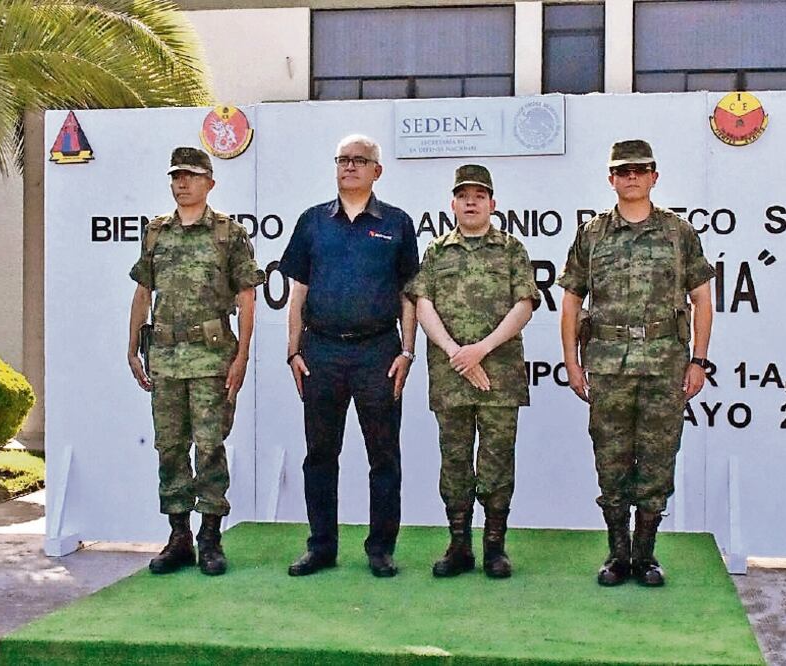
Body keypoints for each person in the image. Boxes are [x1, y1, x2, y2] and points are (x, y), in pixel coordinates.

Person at [557, 139, 714, 587]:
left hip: (665, 365)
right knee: (611, 460)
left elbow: (702, 299)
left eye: (640, 170)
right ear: (611, 179)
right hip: (608, 366)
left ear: (654, 177)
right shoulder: (591, 234)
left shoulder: (679, 233)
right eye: (623, 171)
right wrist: (571, 362)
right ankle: (616, 554)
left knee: (658, 459)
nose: (631, 177)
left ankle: (645, 555)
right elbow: (571, 301)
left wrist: (699, 360)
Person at [280, 134, 419, 578]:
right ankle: (321, 546)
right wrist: (293, 350)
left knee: (384, 456)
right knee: (320, 455)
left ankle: (381, 549)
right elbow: (297, 291)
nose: (350, 167)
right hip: (321, 351)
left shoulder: (397, 223)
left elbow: (409, 294)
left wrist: (407, 351)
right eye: (343, 160)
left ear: (377, 171)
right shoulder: (312, 222)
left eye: (360, 160)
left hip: (378, 351)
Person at [127, 146, 265, 576]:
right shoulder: (156, 232)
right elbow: (143, 291)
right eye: (176, 176)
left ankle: (210, 537)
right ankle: (179, 537)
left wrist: (242, 356)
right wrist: (132, 347)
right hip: (165, 358)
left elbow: (247, 297)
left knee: (209, 447)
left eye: (190, 175)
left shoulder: (228, 234)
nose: (182, 183)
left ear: (210, 182)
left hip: (211, 359)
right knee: (169, 448)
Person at [405, 165, 540, 579]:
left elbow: (524, 305)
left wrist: (481, 350)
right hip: (451, 376)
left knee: (497, 462)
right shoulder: (436, 252)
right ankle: (459, 546)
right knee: (455, 461)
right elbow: (421, 303)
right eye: (463, 196)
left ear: (492, 204)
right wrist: (456, 353)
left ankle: (494, 548)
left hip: (499, 375)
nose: (471, 202)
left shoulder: (512, 250)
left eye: (479, 196)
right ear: (452, 204)